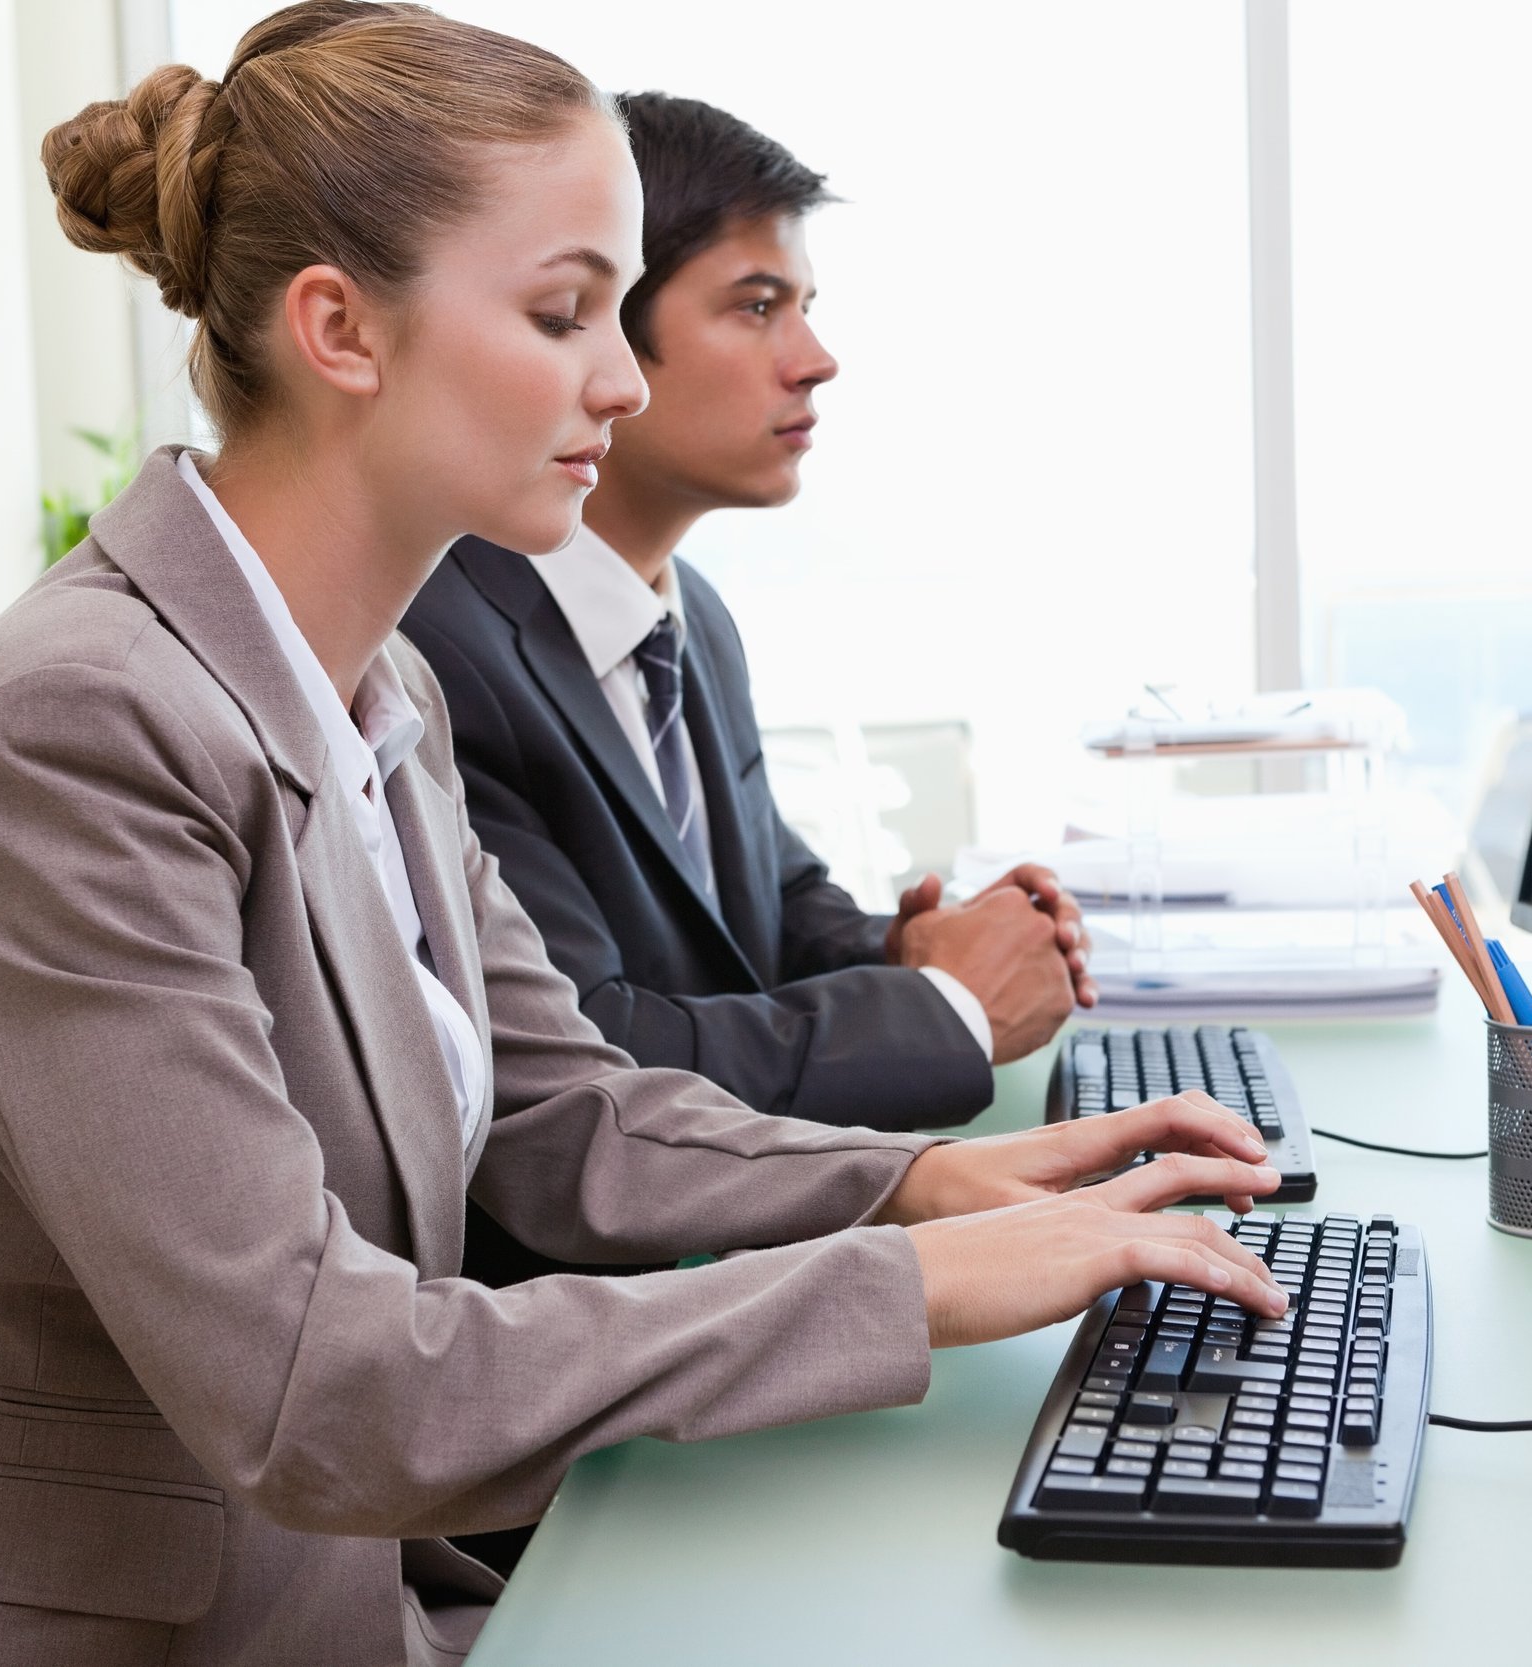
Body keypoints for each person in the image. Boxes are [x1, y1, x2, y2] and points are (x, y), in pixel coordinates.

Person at [0, 7, 1283, 1665]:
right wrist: (920, 1289)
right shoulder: (77, 735)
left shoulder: (372, 684)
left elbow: (564, 1114)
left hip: (325, 1578)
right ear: (339, 329)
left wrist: (926, 1183)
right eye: (563, 312)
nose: (620, 378)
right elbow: (323, 1382)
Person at [400, 93, 1088, 1136]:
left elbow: (765, 901)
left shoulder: (692, 620)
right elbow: (589, 1046)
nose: (815, 357)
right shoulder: (441, 650)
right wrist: (946, 1008)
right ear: (602, 326)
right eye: (758, 305)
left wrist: (912, 947)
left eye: (805, 304)